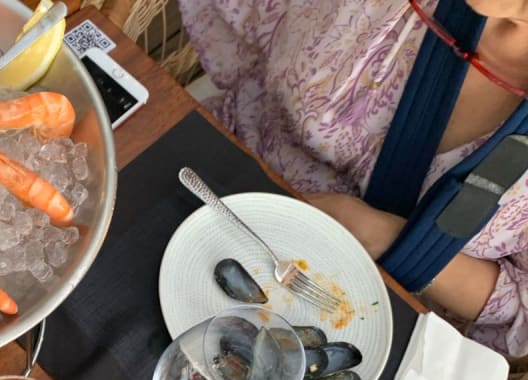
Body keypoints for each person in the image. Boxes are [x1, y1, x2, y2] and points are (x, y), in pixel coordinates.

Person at [179, 0, 528, 359]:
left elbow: (523, 309)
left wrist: (385, 236)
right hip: (214, 190)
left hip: (355, 331)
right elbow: (240, 39)